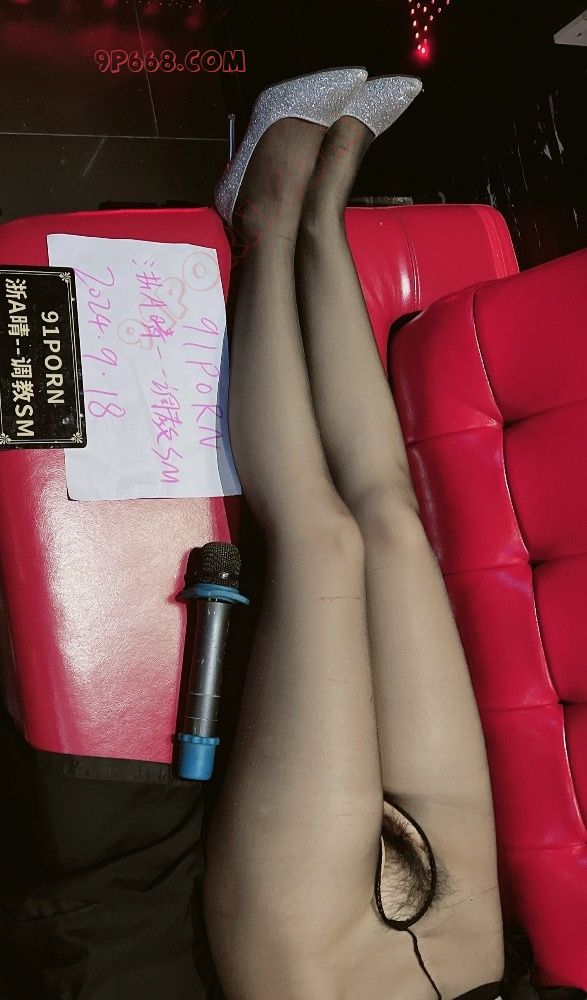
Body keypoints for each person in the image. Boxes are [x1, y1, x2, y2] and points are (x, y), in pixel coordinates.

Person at [202, 67, 508, 1000]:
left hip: (318, 976)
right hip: (476, 964)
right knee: (391, 525)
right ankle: (323, 219)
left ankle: (263, 226)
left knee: (321, 541)